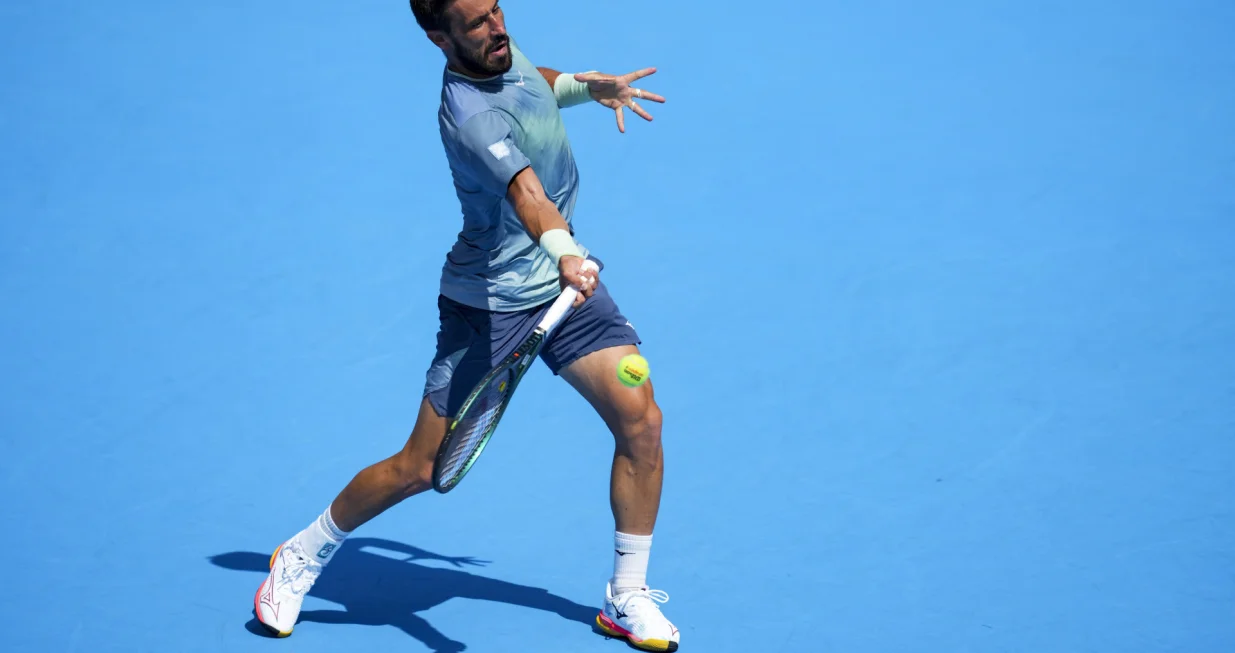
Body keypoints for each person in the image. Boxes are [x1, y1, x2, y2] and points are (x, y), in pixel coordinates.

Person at [252, 0, 679, 650]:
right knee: (419, 468)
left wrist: (587, 88)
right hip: (489, 303)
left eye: (497, 9)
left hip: (561, 285)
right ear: (438, 38)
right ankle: (303, 551)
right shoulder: (471, 116)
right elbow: (528, 196)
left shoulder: (499, 51)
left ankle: (626, 594)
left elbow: (535, 82)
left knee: (641, 420)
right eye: (477, 22)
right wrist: (566, 253)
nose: (497, 27)